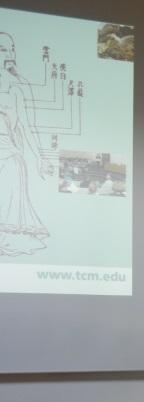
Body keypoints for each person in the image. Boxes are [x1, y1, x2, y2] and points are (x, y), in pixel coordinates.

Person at [0, 32, 54, 256]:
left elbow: (27, 127)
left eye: (6, 49)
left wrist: (40, 158)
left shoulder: (17, 87)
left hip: (10, 159)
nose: (4, 54)